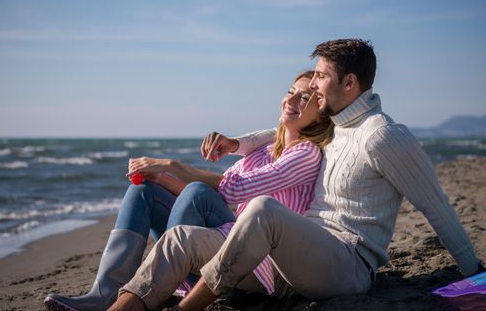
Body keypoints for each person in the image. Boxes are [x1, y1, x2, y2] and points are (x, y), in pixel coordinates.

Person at [109, 39, 483, 311]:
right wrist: (236, 142)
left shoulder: (382, 135)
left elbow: (436, 206)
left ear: (349, 83)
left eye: (320, 77)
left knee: (262, 209)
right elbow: (277, 131)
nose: (313, 85)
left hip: (348, 264)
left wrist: (478, 275)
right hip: (294, 255)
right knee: (179, 240)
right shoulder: (335, 127)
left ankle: (189, 307)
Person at [44, 71, 333, 311]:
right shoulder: (264, 149)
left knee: (194, 188)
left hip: (259, 257)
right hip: (230, 235)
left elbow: (232, 190)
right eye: (291, 91)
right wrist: (160, 178)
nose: (291, 99)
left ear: (319, 115)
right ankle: (104, 293)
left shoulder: (306, 154)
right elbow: (215, 198)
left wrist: (170, 165)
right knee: (145, 190)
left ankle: (168, 283)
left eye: (304, 97)